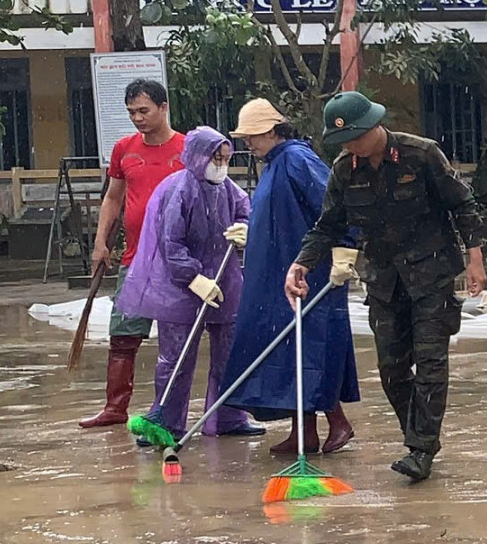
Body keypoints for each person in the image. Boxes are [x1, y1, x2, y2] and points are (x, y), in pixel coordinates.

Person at [288, 90, 486, 483]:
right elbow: (328, 225)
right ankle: (418, 435)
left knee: (431, 363)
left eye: (357, 136)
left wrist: (475, 258)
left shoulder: (422, 154)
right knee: (392, 369)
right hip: (383, 279)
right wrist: (301, 264)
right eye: (344, 141)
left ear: (376, 125)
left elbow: (462, 205)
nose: (351, 146)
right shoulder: (345, 170)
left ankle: (420, 449)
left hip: (431, 273)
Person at [223, 98, 361, 455]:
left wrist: (344, 249)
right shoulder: (272, 165)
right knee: (287, 349)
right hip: (275, 276)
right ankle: (304, 432)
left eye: (252, 136)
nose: (247, 143)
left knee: (311, 347)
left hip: (307, 273)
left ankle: (338, 422)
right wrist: (250, 231)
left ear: (271, 131)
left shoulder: (298, 160)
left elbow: (333, 206)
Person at [116, 127, 261, 441]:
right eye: (216, 158)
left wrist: (244, 228)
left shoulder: (228, 188)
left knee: (229, 352)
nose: (221, 165)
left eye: (225, 158)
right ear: (198, 156)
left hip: (225, 280)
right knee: (176, 358)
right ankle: (164, 421)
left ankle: (227, 416)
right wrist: (195, 279)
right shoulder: (178, 190)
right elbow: (171, 244)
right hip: (181, 290)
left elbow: (247, 212)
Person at [80, 79, 185, 429]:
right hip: (136, 259)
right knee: (123, 335)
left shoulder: (186, 149)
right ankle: (115, 407)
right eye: (131, 113)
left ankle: (168, 412)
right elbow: (113, 198)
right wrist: (100, 242)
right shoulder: (124, 148)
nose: (137, 118)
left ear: (163, 107)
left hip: (178, 261)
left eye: (144, 110)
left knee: (177, 341)